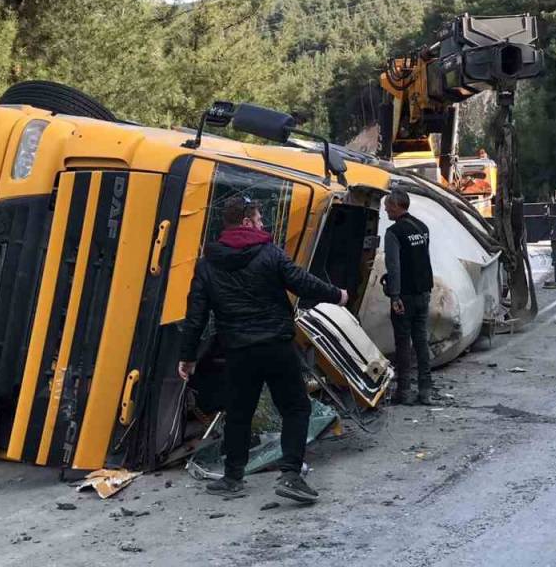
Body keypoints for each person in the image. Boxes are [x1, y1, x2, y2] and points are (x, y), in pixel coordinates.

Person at [178, 197, 348, 503]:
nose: (262, 225)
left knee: (239, 413)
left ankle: (232, 478)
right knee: (295, 408)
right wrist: (337, 294)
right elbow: (302, 282)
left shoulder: (208, 264)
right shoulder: (269, 253)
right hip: (276, 346)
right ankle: (291, 475)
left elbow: (195, 316)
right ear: (246, 222)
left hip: (238, 351)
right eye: (258, 220)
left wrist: (188, 357)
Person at [382, 189, 434, 405]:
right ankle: (426, 390)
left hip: (404, 296)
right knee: (421, 341)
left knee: (403, 343)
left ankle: (404, 391)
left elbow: (393, 266)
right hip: (423, 292)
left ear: (396, 206)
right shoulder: (422, 228)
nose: (385, 210)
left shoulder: (394, 232)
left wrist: (395, 296)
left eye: (387, 207)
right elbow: (424, 259)